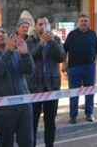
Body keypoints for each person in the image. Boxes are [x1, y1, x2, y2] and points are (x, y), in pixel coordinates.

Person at [0, 26, 35, 147]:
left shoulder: (17, 53)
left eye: (3, 32)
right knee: (5, 143)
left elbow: (30, 70)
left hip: (24, 105)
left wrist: (25, 54)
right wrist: (9, 51)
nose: (1, 35)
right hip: (4, 109)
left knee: (27, 142)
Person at [25, 16, 65, 147]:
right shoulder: (30, 40)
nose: (43, 27)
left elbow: (61, 57)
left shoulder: (56, 39)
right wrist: (41, 44)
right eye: (40, 24)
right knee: (33, 122)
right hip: (34, 86)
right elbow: (28, 59)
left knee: (50, 121)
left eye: (45, 24)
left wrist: (52, 42)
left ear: (49, 26)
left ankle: (50, 144)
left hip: (51, 85)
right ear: (36, 26)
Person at [62, 13, 97, 124]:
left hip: (89, 68)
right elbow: (64, 51)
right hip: (74, 68)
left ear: (88, 23)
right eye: (82, 21)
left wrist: (95, 62)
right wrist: (64, 64)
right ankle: (73, 115)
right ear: (78, 23)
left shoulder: (92, 34)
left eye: (85, 21)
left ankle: (89, 113)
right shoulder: (72, 35)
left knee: (90, 92)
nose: (84, 23)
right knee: (74, 92)